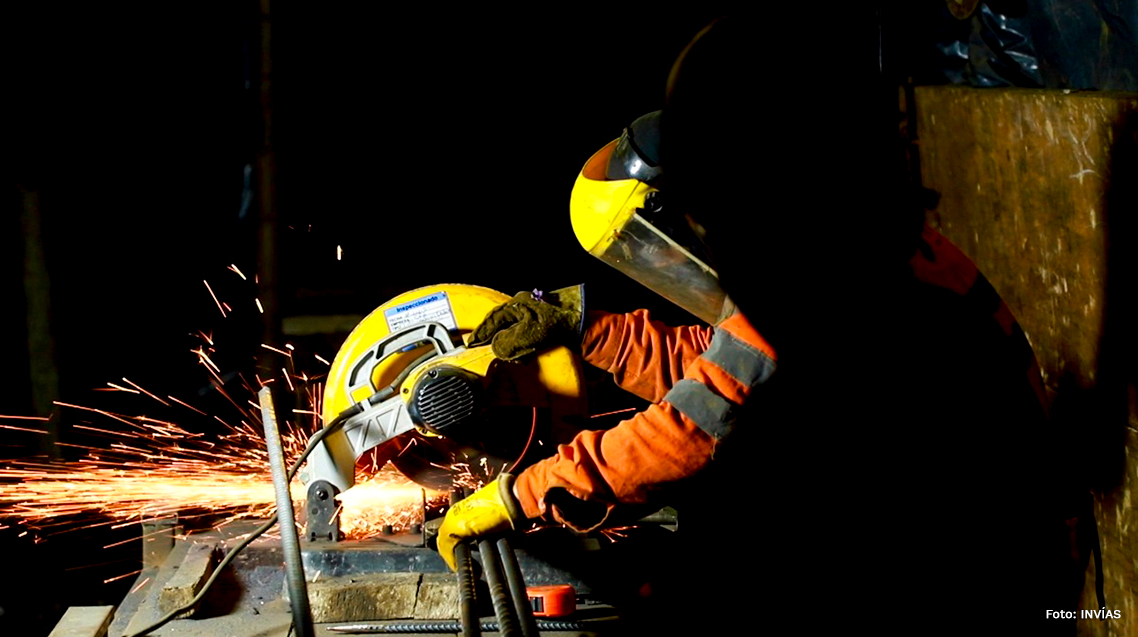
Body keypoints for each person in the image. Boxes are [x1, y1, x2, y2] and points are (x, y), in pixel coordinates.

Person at [439, 17, 1080, 634]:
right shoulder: (855, 240)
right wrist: (586, 331)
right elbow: (724, 365)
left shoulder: (832, 274)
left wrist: (519, 495)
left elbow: (693, 423)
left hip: (983, 575)